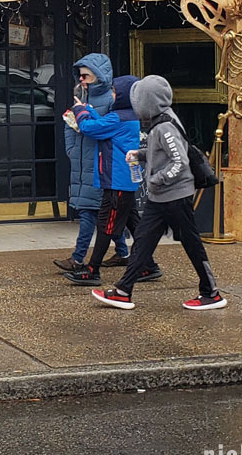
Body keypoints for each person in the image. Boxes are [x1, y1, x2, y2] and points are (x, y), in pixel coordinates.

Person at [92, 74, 227, 311]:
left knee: (191, 244)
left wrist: (157, 179)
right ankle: (124, 290)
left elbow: (179, 161)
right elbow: (164, 153)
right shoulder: (161, 120)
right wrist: (140, 154)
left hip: (174, 197)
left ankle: (211, 292)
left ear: (146, 101)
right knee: (143, 241)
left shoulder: (164, 126)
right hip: (162, 196)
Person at [63, 75, 161, 287]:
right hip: (122, 179)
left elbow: (92, 128)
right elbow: (101, 123)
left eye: (115, 92)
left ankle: (92, 269)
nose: (113, 95)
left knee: (106, 224)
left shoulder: (119, 118)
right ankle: (149, 265)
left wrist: (79, 110)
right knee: (133, 222)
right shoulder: (127, 115)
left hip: (116, 179)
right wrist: (87, 109)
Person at [54, 53, 129, 273]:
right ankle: (123, 252)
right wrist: (71, 148)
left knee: (89, 211)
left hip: (99, 163)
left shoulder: (112, 100)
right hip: (82, 159)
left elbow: (104, 129)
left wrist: (85, 117)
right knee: (101, 213)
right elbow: (69, 122)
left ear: (99, 75)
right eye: (80, 76)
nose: (82, 80)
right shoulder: (81, 97)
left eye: (86, 75)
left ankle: (78, 258)